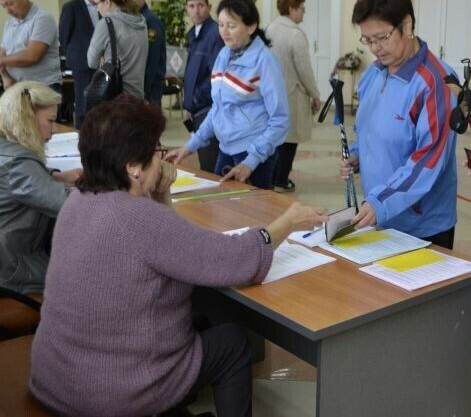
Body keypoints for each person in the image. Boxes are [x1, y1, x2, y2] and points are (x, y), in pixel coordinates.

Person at [29, 95, 326, 417]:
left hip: (57, 376)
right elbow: (232, 260)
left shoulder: (78, 201)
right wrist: (287, 223)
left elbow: (169, 247)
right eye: (156, 151)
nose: (162, 158)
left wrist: (160, 194)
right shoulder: (138, 218)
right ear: (133, 167)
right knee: (231, 342)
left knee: (199, 315)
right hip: (111, 393)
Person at [338, 0, 458, 249]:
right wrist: (357, 155)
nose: (376, 48)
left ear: (407, 24)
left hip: (421, 224)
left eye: (382, 37)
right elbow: (372, 132)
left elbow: (428, 159)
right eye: (368, 40)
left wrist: (381, 201)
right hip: (380, 213)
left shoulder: (436, 82)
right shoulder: (373, 73)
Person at [165, 0, 290, 189]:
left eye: (231, 26)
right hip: (225, 150)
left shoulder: (265, 61)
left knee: (254, 217)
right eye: (221, 24)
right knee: (221, 212)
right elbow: (218, 109)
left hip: (253, 154)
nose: (224, 32)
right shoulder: (224, 54)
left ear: (251, 26)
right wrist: (189, 147)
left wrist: (251, 161)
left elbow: (280, 120)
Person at [0, 82, 80, 295]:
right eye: (51, 121)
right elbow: (72, 208)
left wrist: (54, 175)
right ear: (26, 119)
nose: (53, 131)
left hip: (9, 257)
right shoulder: (18, 164)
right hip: (11, 268)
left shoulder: (8, 150)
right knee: (94, 275)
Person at [266, 0, 322, 192]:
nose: (304, 13)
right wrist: (315, 94)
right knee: (290, 139)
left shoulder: (268, 29)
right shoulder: (295, 35)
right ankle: (281, 179)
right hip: (292, 94)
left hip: (271, 94)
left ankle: (271, 176)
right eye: (302, 9)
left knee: (276, 139)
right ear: (292, 8)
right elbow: (304, 70)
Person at [183, 0, 224, 173]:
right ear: (186, 9)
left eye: (200, 5)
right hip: (197, 107)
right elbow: (193, 73)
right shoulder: (194, 33)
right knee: (205, 162)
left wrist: (195, 100)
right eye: (192, 6)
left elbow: (215, 75)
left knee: (210, 164)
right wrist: (187, 105)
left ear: (209, 7)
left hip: (207, 107)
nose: (196, 10)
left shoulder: (215, 33)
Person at [87, 0, 149, 98]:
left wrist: (102, 57)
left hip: (116, 97)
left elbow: (92, 62)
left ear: (107, 2)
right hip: (138, 96)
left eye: (96, 4)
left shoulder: (106, 23)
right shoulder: (142, 22)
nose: (97, 10)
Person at [0, 0, 61, 91]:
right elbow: (2, 54)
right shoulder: (9, 23)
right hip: (15, 87)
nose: (7, 10)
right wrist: (5, 77)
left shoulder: (43, 18)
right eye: (3, 6)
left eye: (9, 4)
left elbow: (31, 56)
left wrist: (2, 61)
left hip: (43, 87)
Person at [59, 0, 99, 128]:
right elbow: (63, 36)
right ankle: (82, 132)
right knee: (83, 100)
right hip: (81, 62)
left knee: (98, 98)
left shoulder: (102, 5)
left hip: (100, 62)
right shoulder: (71, 7)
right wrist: (72, 57)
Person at [121, 0, 166, 104]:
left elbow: (151, 61)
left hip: (146, 93)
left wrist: (144, 94)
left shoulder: (149, 21)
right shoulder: (131, 18)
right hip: (133, 90)